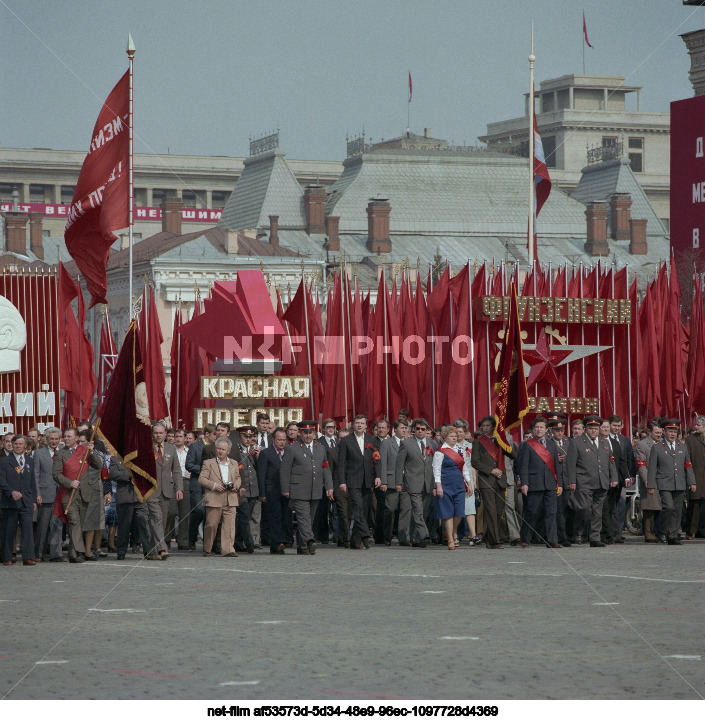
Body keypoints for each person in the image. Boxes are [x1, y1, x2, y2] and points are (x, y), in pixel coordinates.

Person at [280, 421, 333, 555]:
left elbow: (325, 467)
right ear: (300, 433)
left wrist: (329, 486)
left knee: (309, 518)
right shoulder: (292, 448)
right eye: (305, 433)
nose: (308, 435)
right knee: (304, 518)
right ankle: (310, 540)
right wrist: (285, 489)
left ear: (314, 433)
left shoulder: (320, 448)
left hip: (315, 489)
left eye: (310, 433)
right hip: (298, 489)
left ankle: (302, 546)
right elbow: (285, 470)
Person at [565, 415, 618, 547]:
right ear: (585, 429)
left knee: (597, 511)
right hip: (584, 481)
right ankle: (578, 532)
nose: (593, 431)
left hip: (602, 481)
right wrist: (572, 481)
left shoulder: (605, 442)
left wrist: (614, 477)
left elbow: (611, 462)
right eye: (590, 428)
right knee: (584, 508)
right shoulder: (576, 442)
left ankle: (594, 537)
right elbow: (570, 464)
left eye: (595, 428)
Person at [53, 427, 103, 563]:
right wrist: (70, 483)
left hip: (85, 493)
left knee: (79, 524)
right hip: (68, 494)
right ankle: (80, 552)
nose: (66, 439)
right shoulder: (60, 454)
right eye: (65, 436)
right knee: (74, 522)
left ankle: (73, 554)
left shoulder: (85, 451)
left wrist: (92, 452)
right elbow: (56, 474)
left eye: (69, 436)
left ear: (76, 438)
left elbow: (98, 465)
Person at [646, 418, 696, 545]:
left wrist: (692, 482)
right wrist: (651, 484)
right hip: (664, 482)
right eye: (670, 431)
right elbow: (652, 468)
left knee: (677, 510)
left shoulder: (682, 447)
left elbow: (688, 465)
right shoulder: (657, 448)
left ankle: (673, 535)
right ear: (664, 431)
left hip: (679, 482)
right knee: (668, 507)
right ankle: (662, 532)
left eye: (675, 431)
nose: (673, 434)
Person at [517, 416, 564, 548]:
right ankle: (525, 538)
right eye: (536, 427)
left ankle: (552, 539)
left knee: (551, 512)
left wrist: (559, 484)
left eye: (541, 427)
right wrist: (524, 483)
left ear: (546, 429)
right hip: (534, 483)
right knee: (532, 511)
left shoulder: (551, 444)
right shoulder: (527, 444)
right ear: (533, 429)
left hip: (550, 483)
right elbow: (523, 466)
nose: (539, 429)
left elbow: (556, 465)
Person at [471, 416, 515, 550]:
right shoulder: (478, 442)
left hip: (501, 480)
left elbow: (514, 455)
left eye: (488, 426)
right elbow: (475, 462)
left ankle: (489, 538)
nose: (485, 428)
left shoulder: (500, 441)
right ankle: (495, 541)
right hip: (487, 480)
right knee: (490, 510)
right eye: (483, 426)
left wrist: (504, 442)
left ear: (493, 427)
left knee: (498, 512)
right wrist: (491, 470)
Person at [338, 414, 381, 550]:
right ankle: (365, 535)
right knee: (357, 507)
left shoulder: (372, 439)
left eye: (362, 423)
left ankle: (355, 541)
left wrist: (378, 476)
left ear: (366, 425)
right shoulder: (346, 441)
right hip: (352, 479)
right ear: (353, 425)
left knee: (364, 509)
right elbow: (341, 463)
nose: (359, 425)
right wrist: (342, 481)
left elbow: (377, 459)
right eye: (357, 423)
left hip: (367, 480)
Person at [395, 418, 436, 549]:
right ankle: (424, 535)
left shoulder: (432, 443)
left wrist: (435, 484)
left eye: (423, 429)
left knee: (423, 512)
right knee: (417, 511)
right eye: (417, 429)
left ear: (427, 430)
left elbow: (436, 465)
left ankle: (415, 538)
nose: (420, 431)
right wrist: (398, 482)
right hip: (412, 482)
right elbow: (399, 464)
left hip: (428, 483)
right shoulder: (407, 443)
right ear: (414, 429)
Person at [198, 437, 241, 557]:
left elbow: (238, 478)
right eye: (218, 449)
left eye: (223, 449)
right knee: (211, 525)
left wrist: (236, 485)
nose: (220, 451)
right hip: (214, 498)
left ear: (228, 451)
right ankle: (207, 548)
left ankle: (228, 550)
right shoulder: (208, 463)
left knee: (229, 526)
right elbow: (201, 479)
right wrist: (214, 485)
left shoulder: (234, 463)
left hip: (230, 497)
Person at [146, 422, 183, 560]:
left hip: (167, 490)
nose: (159, 435)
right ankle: (162, 548)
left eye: (161, 433)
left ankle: (151, 551)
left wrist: (179, 488)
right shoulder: (146, 448)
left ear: (165, 434)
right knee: (157, 518)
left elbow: (177, 470)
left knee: (161, 522)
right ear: (152, 434)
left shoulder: (170, 448)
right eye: (156, 433)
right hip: (151, 490)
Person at [0, 435, 37, 566]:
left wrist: (34, 500)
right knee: (9, 530)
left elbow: (32, 482)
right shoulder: (4, 461)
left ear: (25, 446)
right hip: (10, 501)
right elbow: (1, 480)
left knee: (27, 530)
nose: (17, 446)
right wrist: (11, 492)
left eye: (20, 444)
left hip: (26, 501)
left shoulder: (30, 461)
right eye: (15, 444)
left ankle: (28, 557)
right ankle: (7, 557)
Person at [433, 426, 471, 550]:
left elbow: (464, 468)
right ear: (445, 437)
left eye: (455, 436)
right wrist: (438, 486)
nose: (454, 438)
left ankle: (451, 531)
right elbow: (436, 470)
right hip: (445, 485)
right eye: (451, 436)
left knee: (460, 512)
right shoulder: (440, 452)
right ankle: (450, 538)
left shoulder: (460, 450)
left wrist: (469, 483)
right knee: (448, 513)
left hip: (459, 484)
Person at [108, 456, 151, 560]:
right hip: (125, 496)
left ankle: (148, 551)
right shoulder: (115, 458)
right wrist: (130, 476)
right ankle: (121, 551)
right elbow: (113, 474)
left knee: (144, 523)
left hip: (140, 495)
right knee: (124, 526)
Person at [77, 429, 110, 560]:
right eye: (79, 441)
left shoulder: (98, 454)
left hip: (95, 490)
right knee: (84, 521)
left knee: (96, 521)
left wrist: (107, 492)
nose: (80, 444)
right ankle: (84, 549)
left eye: (83, 441)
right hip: (79, 489)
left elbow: (103, 472)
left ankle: (93, 548)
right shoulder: (76, 454)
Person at [33, 426, 64, 562]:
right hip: (45, 494)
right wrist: (37, 494)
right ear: (47, 439)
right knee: (43, 526)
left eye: (56, 439)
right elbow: (36, 475)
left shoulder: (64, 452)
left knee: (57, 525)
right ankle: (39, 553)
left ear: (60, 439)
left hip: (60, 494)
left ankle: (56, 554)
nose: (54, 441)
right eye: (51, 439)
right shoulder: (39, 453)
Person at [257, 427, 289, 554]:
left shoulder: (288, 452)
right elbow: (261, 474)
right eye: (279, 440)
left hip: (285, 490)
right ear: (273, 439)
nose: (282, 442)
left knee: (284, 516)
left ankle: (276, 544)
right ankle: (278, 541)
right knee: (275, 516)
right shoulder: (266, 453)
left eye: (284, 440)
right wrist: (262, 493)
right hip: (271, 490)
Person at [185, 423, 217, 551]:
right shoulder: (195, 446)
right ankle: (192, 537)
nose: (216, 436)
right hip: (197, 483)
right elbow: (189, 465)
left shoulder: (216, 447)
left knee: (209, 513)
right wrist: (205, 470)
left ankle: (208, 541)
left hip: (211, 484)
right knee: (198, 511)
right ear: (207, 434)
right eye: (214, 434)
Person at [379, 419, 408, 545]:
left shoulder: (409, 443)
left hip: (406, 481)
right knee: (390, 509)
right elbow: (383, 463)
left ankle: (403, 537)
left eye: (406, 428)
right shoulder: (386, 443)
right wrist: (383, 481)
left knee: (405, 510)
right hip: (391, 481)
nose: (404, 430)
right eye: (402, 428)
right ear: (395, 429)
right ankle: (387, 536)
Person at [634, 419, 663, 543]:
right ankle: (649, 533)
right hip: (650, 479)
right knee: (650, 508)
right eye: (656, 432)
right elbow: (641, 464)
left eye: (660, 432)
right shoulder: (643, 444)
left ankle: (659, 531)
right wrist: (646, 480)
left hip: (663, 479)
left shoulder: (663, 443)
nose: (659, 435)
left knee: (661, 507)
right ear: (650, 432)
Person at [235, 425, 261, 550]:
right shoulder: (236, 450)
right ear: (240, 437)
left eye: (251, 436)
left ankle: (239, 541)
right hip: (242, 488)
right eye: (246, 436)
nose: (248, 439)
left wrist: (258, 457)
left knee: (247, 516)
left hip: (253, 488)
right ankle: (249, 542)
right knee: (244, 515)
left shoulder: (255, 451)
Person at [329, 428, 352, 548]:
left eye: (345, 438)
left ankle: (342, 537)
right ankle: (347, 538)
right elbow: (330, 471)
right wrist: (330, 488)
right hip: (338, 486)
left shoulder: (353, 450)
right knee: (342, 513)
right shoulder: (333, 452)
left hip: (352, 486)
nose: (343, 440)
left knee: (349, 513)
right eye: (341, 438)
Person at [684, 416, 705, 539]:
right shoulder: (690, 440)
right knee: (694, 505)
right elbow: (687, 459)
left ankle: (701, 529)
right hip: (696, 476)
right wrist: (690, 478)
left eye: (698, 425)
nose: (696, 427)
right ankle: (690, 531)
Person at [172, 428, 191, 550]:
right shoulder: (169, 450)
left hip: (185, 482)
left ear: (185, 438)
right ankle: (166, 538)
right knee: (170, 512)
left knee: (184, 513)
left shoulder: (189, 451)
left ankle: (183, 541)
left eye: (180, 436)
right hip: (170, 483)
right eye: (176, 436)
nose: (178, 439)